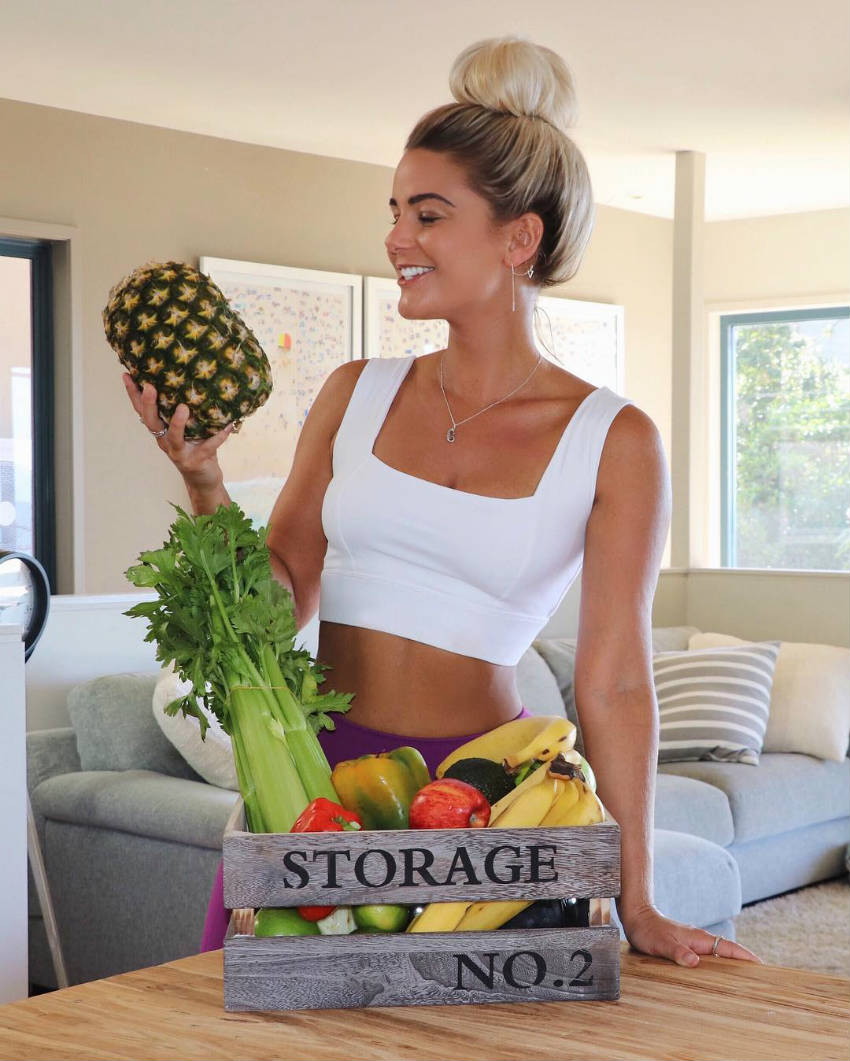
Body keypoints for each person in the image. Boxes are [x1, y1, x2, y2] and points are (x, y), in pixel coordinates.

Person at [125, 36, 761, 968]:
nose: (395, 238)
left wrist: (639, 896)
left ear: (519, 237)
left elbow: (617, 678)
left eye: (428, 214)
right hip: (311, 779)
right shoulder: (355, 392)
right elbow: (277, 602)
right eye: (394, 212)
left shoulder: (614, 438)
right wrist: (204, 481)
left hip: (487, 798)